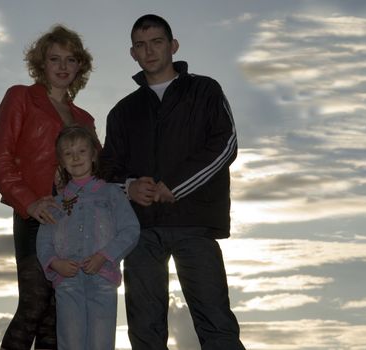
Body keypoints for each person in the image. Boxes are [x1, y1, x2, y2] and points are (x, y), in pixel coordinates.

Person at [100, 14, 246, 350]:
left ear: (173, 46)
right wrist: (130, 187)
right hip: (139, 231)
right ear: (132, 53)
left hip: (194, 223)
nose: (149, 51)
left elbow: (226, 145)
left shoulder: (205, 90)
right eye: (140, 45)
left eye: (156, 42)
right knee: (145, 331)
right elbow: (106, 171)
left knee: (216, 324)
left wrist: (175, 186)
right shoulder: (123, 111)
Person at [0, 25, 97, 350]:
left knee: (57, 316)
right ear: (41, 63)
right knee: (33, 307)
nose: (63, 67)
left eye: (70, 60)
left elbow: (96, 175)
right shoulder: (21, 97)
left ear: (80, 66)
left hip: (75, 226)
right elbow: (1, 161)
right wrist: (30, 203)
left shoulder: (85, 120)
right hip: (35, 216)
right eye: (55, 59)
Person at [36, 125, 140, 350]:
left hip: (103, 279)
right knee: (70, 343)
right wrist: (55, 263)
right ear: (61, 162)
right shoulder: (56, 202)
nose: (75, 158)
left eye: (82, 151)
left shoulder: (112, 193)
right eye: (68, 153)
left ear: (93, 155)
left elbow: (131, 230)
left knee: (101, 343)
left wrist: (104, 256)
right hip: (67, 283)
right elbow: (43, 241)